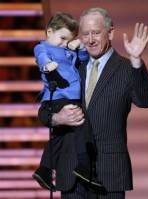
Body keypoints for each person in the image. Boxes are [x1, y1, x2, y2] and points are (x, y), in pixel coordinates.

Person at [38, 7, 148, 199]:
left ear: (110, 33)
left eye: (96, 33)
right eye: (85, 34)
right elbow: (44, 111)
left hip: (109, 174)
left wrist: (136, 60)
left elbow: (146, 100)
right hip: (71, 173)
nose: (90, 39)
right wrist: (57, 118)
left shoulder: (126, 68)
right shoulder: (71, 65)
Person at [33, 12, 102, 192]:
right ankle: (84, 166)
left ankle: (45, 170)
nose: (64, 43)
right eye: (62, 38)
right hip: (59, 98)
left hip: (69, 97)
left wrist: (78, 47)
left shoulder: (67, 50)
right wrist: (47, 65)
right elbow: (41, 57)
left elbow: (84, 60)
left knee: (60, 135)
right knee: (82, 124)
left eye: (68, 39)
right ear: (49, 32)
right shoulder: (43, 48)